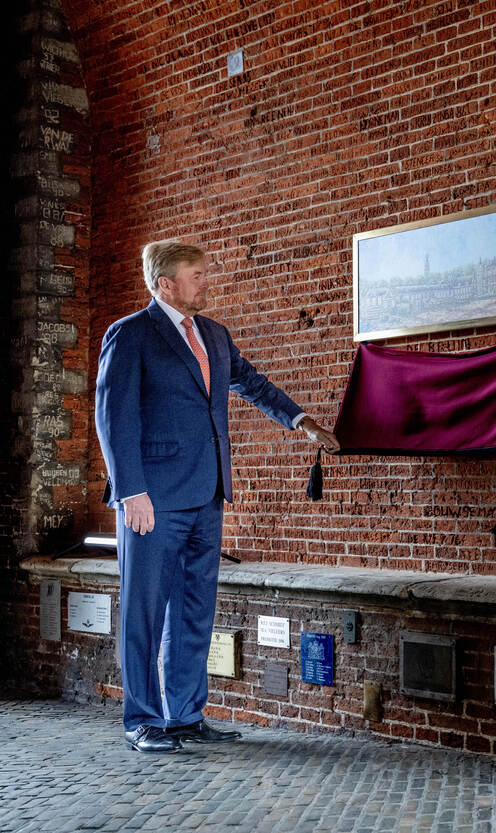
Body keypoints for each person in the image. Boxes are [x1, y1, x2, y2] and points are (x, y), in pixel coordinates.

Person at [95, 240, 340, 753]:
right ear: (165, 284)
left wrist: (301, 421)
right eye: (198, 274)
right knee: (144, 614)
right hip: (152, 501)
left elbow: (252, 384)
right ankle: (142, 720)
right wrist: (130, 491)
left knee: (194, 611)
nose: (207, 281)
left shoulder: (214, 334)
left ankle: (184, 715)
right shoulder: (131, 334)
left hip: (207, 494)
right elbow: (113, 418)